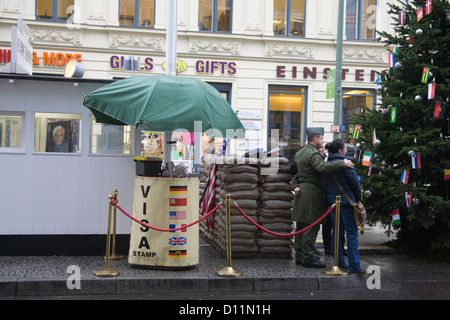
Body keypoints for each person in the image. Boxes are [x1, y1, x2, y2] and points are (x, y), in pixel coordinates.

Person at [291, 127, 354, 268]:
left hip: (302, 191)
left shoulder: (300, 153)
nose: (322, 141)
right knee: (310, 225)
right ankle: (308, 258)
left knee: (301, 225)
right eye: (321, 138)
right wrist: (342, 163)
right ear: (315, 138)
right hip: (312, 192)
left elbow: (293, 169)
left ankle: (300, 256)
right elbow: (322, 168)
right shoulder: (314, 154)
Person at [321, 139, 365, 274]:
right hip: (347, 203)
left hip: (333, 204)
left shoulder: (326, 165)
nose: (346, 151)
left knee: (336, 232)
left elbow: (323, 186)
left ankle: (339, 263)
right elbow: (355, 184)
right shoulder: (347, 165)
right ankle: (354, 265)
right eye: (345, 148)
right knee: (351, 233)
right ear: (340, 151)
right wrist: (357, 199)